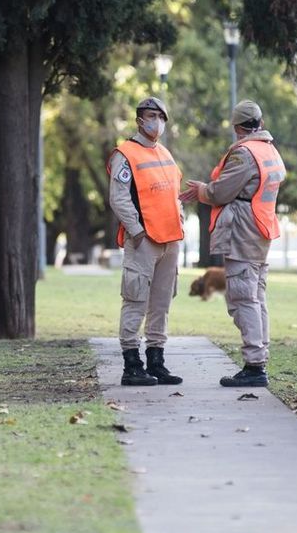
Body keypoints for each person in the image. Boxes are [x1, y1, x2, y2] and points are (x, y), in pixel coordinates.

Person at [180, 100, 286, 388]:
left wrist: (203, 190)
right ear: (260, 123)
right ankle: (259, 358)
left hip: (243, 232)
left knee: (242, 297)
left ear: (238, 127)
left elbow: (221, 191)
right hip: (261, 231)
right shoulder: (270, 150)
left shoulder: (244, 153)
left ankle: (254, 366)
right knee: (256, 297)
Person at [107, 97, 185, 387]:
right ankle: (131, 364)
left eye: (161, 116)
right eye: (151, 116)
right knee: (136, 300)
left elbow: (173, 194)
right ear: (140, 120)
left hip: (171, 239)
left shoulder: (164, 152)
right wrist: (137, 232)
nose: (157, 122)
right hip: (144, 240)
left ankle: (156, 361)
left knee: (161, 304)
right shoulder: (125, 154)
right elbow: (119, 198)